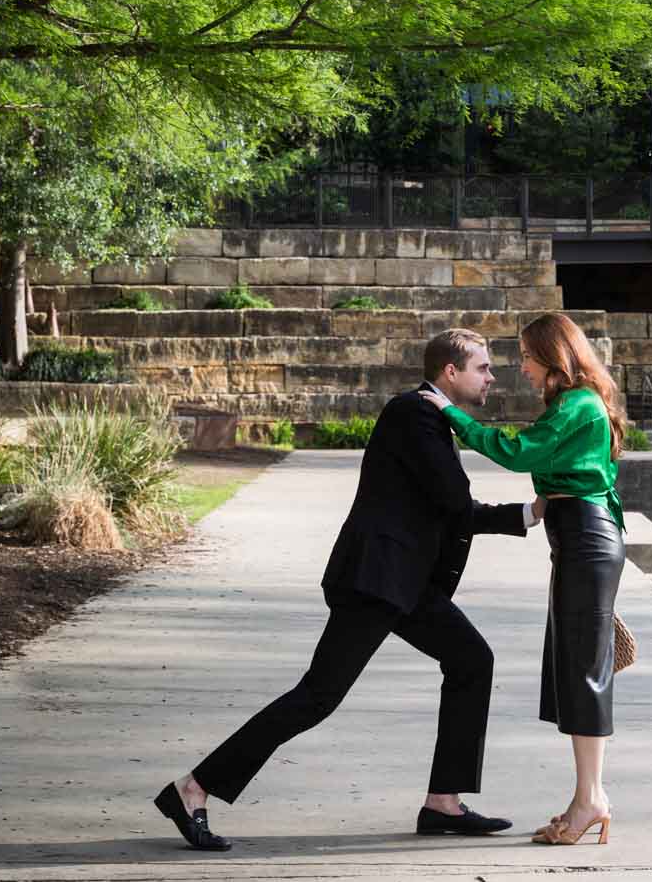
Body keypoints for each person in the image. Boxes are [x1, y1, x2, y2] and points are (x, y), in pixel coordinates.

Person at [154, 327, 538, 851]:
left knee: (472, 659)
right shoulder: (417, 413)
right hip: (375, 583)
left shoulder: (428, 416)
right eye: (483, 368)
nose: (492, 377)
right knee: (317, 697)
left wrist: (524, 513)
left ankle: (443, 801)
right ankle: (192, 789)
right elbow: (453, 502)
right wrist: (529, 513)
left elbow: (438, 509)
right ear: (451, 371)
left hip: (403, 585)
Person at [428, 311, 625, 848]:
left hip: (586, 538)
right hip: (578, 538)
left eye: (527, 357)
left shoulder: (578, 403)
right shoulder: (573, 403)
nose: (523, 369)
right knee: (575, 668)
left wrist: (452, 413)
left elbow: (517, 452)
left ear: (552, 355)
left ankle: (592, 799)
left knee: (585, 671)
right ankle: (586, 797)